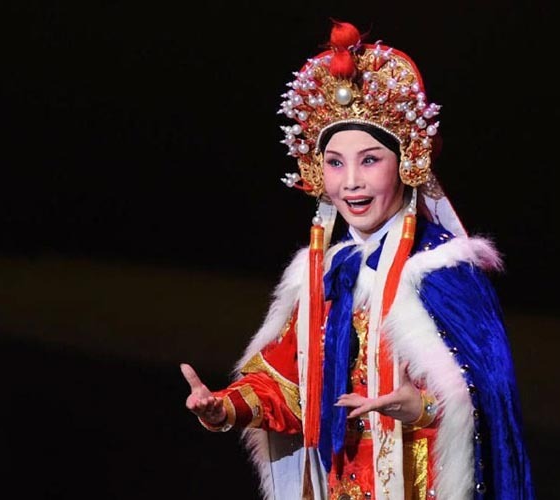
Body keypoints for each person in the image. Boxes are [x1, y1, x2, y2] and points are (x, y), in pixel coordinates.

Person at [180, 20, 535, 500]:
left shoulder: (443, 271)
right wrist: (225, 409)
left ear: (406, 164)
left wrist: (423, 408)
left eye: (369, 160)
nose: (350, 182)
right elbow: (289, 387)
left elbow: (489, 402)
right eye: (335, 163)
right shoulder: (325, 273)